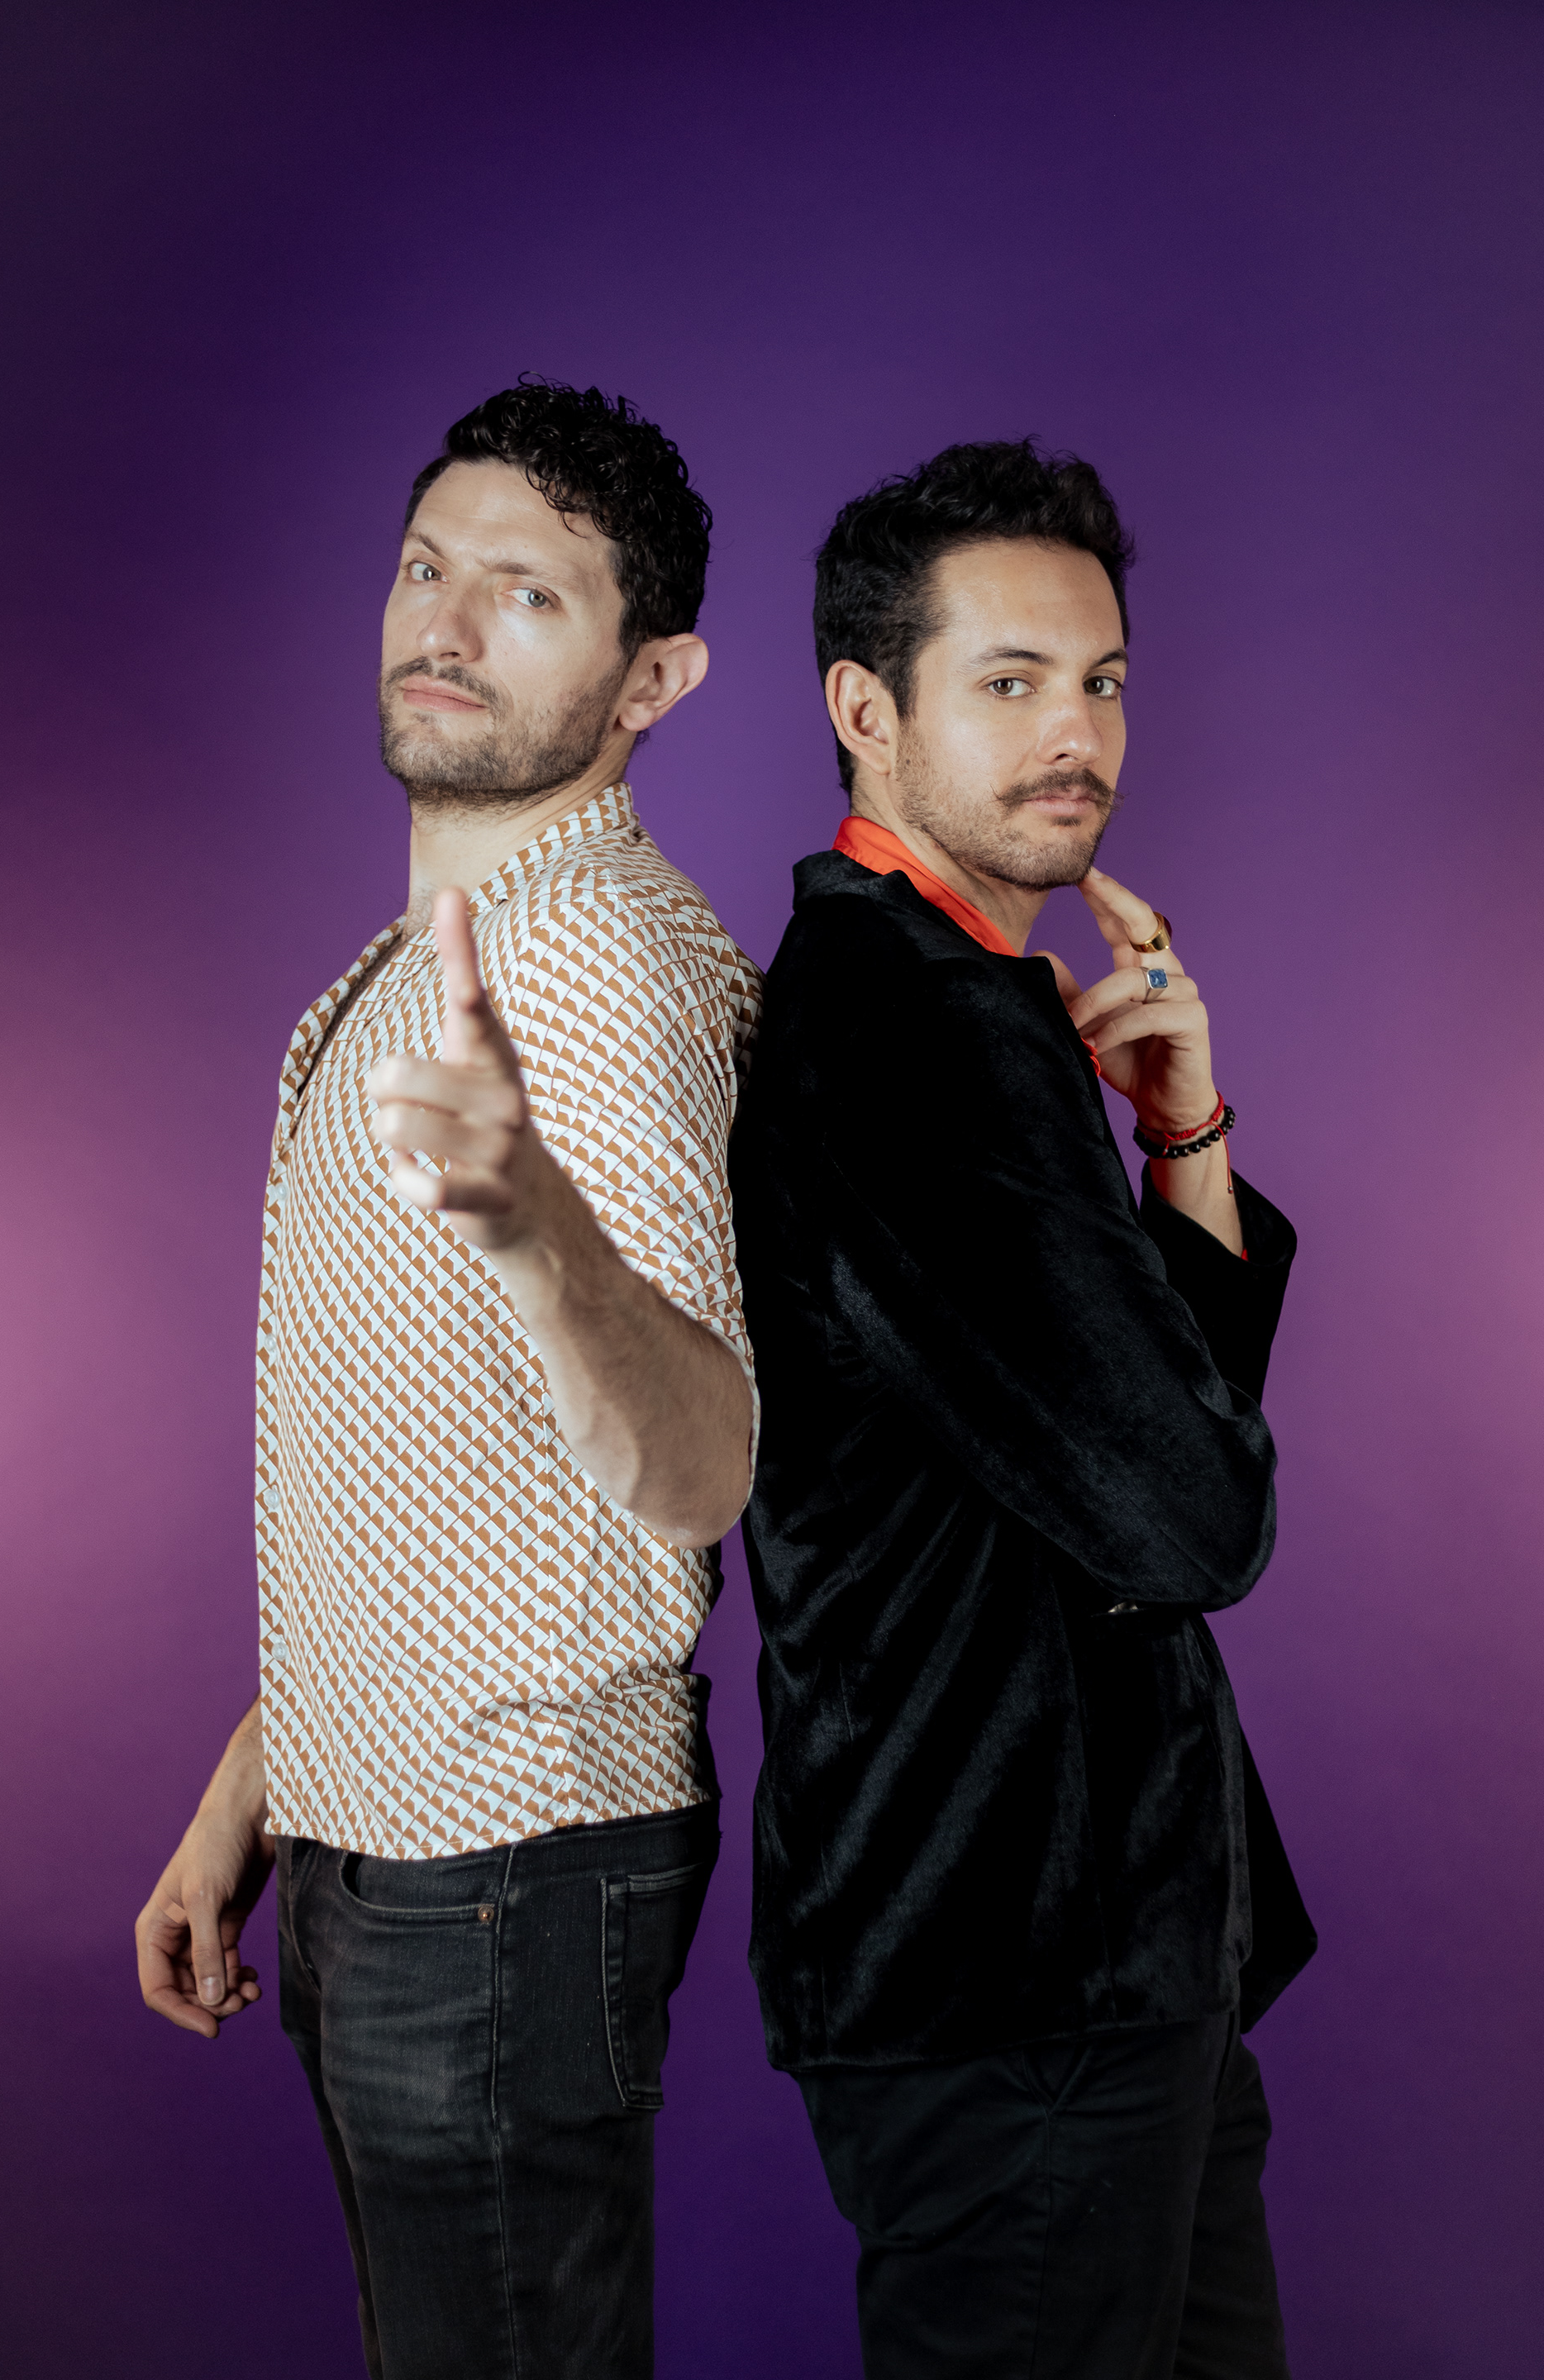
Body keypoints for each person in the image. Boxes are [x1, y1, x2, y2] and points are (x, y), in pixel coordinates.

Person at [135, 379, 760, 2380]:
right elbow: (435, 1473)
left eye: (529, 593)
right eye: (427, 568)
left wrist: (531, 1219)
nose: (448, 623)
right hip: (395, 1844)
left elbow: (703, 1465)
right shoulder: (457, 951)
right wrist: (257, 1790)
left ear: (653, 679)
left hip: (503, 1869)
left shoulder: (593, 974)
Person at [729, 440, 1316, 2378]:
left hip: (1112, 1965)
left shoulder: (983, 1002)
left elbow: (1147, 1457)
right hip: (1013, 1982)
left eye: (1103, 680)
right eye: (1011, 681)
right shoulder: (908, 1033)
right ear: (865, 709)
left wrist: (1184, 1146)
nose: (1079, 734)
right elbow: (1196, 1514)